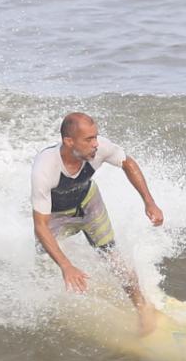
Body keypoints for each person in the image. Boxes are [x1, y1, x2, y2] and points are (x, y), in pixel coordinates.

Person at [31, 112, 164, 335]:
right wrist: (66, 265)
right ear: (69, 141)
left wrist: (149, 203)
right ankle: (63, 292)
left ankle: (141, 307)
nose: (95, 144)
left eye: (96, 137)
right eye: (89, 139)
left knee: (113, 257)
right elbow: (41, 225)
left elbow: (127, 163)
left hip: (89, 205)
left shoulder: (100, 148)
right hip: (56, 216)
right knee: (43, 261)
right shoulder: (45, 169)